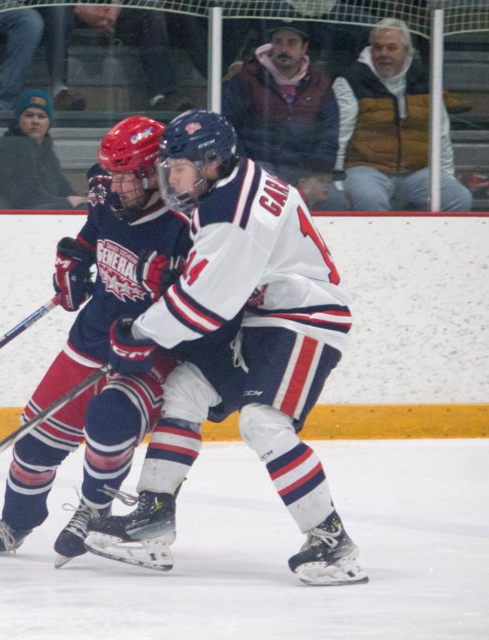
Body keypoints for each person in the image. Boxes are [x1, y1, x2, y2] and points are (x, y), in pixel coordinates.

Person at [85, 109, 368, 586]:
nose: (170, 178)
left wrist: (139, 331)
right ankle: (150, 524)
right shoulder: (228, 181)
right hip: (260, 316)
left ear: (211, 163)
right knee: (183, 391)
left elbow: (200, 308)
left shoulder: (234, 217)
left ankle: (332, 543)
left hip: (305, 318)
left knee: (263, 423)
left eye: (178, 168)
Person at [0, 116, 194, 566]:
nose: (116, 186)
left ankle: (93, 512)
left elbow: (197, 306)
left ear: (156, 171)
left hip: (151, 352)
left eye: (127, 176)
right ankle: (14, 525)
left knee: (111, 422)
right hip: (95, 334)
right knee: (34, 442)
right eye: (112, 174)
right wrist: (74, 258)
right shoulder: (107, 193)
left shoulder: (185, 226)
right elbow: (91, 235)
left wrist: (153, 337)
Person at [332, 18, 472, 212]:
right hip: (366, 169)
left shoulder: (427, 79)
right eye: (378, 47)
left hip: (417, 173)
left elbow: (441, 134)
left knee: (459, 199)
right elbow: (340, 135)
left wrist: (446, 176)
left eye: (392, 48)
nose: (384, 54)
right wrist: (338, 182)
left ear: (407, 51)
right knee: (370, 199)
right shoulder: (351, 81)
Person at [221, 20, 344, 211]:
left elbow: (329, 131)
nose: (283, 48)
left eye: (291, 42)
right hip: (261, 166)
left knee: (334, 202)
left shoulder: (320, 85)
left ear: (305, 48)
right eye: (278, 42)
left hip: (305, 168)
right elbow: (227, 127)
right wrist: (246, 166)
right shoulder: (246, 79)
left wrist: (317, 171)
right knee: (269, 203)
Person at [40, 4, 194, 112]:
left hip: (110, 9)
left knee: (150, 8)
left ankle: (161, 95)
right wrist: (79, 7)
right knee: (58, 8)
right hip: (71, 7)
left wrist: (115, 7)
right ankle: (60, 91)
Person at [0, 88, 86, 209]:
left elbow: (63, 188)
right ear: (18, 119)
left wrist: (82, 200)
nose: (35, 121)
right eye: (29, 115)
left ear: (49, 123)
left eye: (41, 116)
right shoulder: (13, 145)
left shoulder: (45, 148)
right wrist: (67, 202)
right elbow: (28, 197)